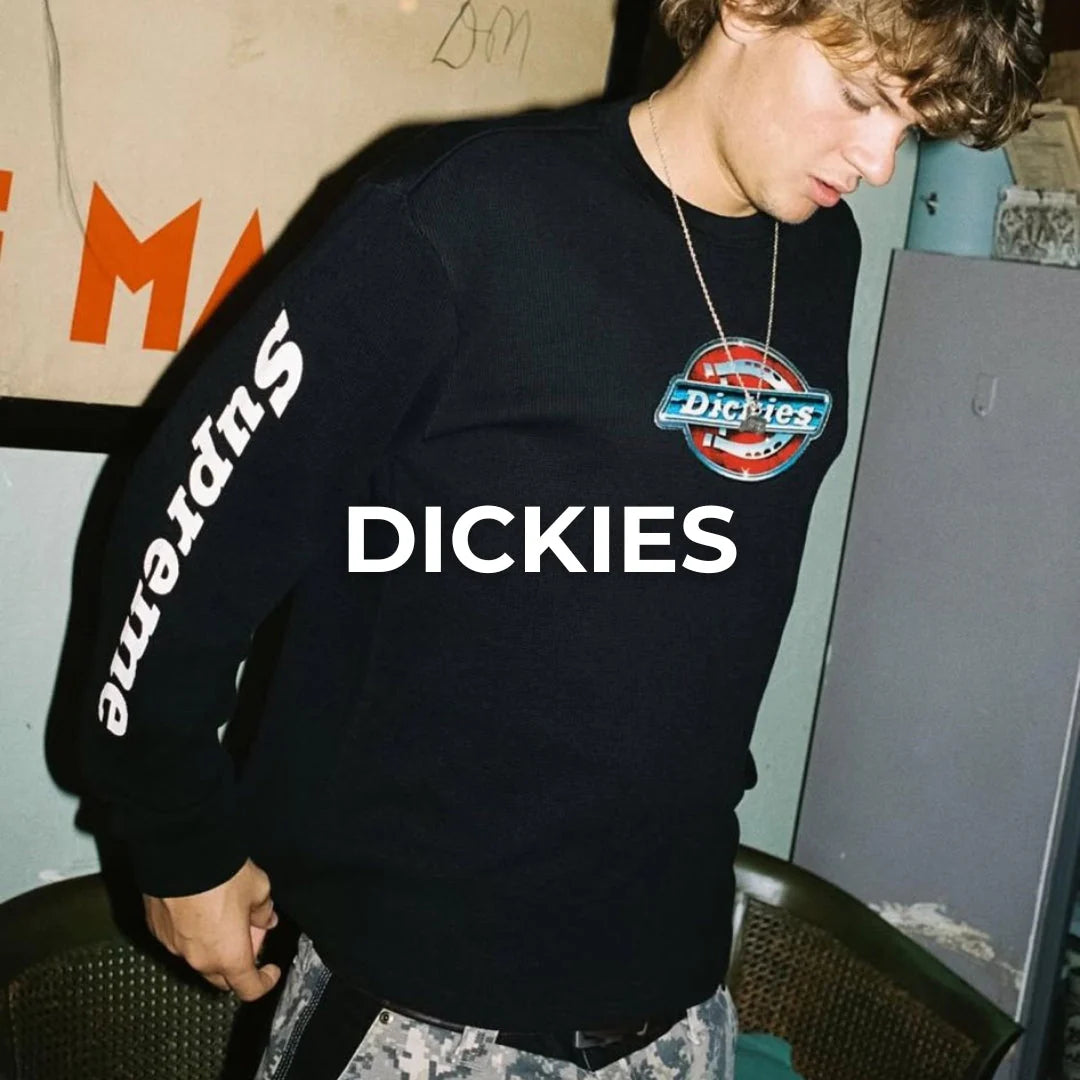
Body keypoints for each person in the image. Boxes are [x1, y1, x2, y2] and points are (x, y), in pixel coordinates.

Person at [82, 0, 1043, 1077]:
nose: (878, 163)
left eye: (908, 126)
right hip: (424, 1008)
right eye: (862, 98)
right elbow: (191, 522)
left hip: (675, 996)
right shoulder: (461, 217)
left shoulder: (821, 255)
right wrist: (175, 836)